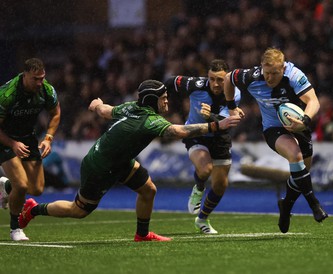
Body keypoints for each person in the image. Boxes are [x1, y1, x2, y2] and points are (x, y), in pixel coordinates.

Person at [18, 80, 241, 242]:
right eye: (163, 98)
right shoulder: (150, 120)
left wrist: (96, 105)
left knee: (148, 190)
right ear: (153, 101)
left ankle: (141, 235)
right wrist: (215, 126)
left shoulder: (131, 107)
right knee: (79, 210)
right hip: (100, 167)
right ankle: (33, 209)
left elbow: (106, 111)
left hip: (118, 160)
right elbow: (178, 131)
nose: (167, 101)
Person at [224, 48, 328, 233]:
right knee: (295, 156)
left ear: (283, 68)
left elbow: (313, 101)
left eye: (275, 73)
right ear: (262, 67)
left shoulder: (294, 75)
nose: (270, 78)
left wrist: (304, 121)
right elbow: (228, 79)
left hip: (298, 123)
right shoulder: (251, 76)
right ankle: (315, 204)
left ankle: (286, 206)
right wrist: (231, 107)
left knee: (302, 171)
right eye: (267, 73)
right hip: (273, 129)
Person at [165, 59, 243, 234]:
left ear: (228, 78)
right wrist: (162, 102)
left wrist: (211, 116)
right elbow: (170, 82)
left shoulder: (234, 93)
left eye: (220, 80)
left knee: (221, 184)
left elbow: (226, 122)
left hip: (219, 137)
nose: (215, 84)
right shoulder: (195, 85)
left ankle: (202, 219)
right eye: (212, 79)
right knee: (205, 168)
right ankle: (199, 188)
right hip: (196, 133)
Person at [0, 58, 61, 241]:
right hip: (5, 140)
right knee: (22, 185)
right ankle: (15, 228)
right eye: (35, 79)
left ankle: (5, 186)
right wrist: (12, 144)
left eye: (42, 78)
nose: (39, 82)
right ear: (24, 75)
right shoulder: (7, 94)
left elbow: (56, 113)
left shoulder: (46, 90)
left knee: (37, 189)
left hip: (28, 138)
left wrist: (48, 138)